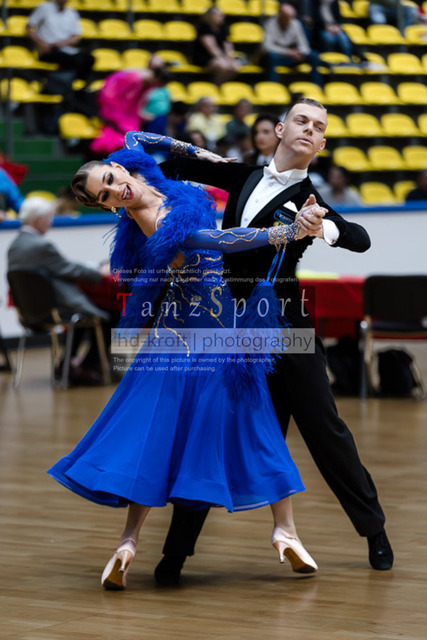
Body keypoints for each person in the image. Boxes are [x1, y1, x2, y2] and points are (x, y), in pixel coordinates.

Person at [47, 131, 326, 589]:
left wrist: (200, 153)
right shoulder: (152, 221)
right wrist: (286, 232)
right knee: (233, 426)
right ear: (107, 207)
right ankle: (283, 531)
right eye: (106, 195)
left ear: (117, 166)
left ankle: (130, 543)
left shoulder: (144, 174)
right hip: (202, 332)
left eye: (111, 179)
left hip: (195, 329)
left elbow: (135, 137)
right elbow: (220, 240)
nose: (117, 190)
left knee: (177, 429)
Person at [152, 97, 393, 584]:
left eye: (318, 127)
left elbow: (360, 238)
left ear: (321, 145)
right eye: (301, 120)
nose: (309, 129)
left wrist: (322, 227)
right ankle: (175, 553)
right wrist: (190, 157)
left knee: (324, 430)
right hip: (230, 326)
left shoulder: (310, 200)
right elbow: (170, 167)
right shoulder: (241, 176)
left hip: (286, 327)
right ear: (280, 130)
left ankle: (374, 530)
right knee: (213, 430)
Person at [7, 196, 110, 384]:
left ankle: (68, 366)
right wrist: (100, 272)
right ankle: (87, 367)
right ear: (38, 219)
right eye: (49, 218)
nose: (51, 222)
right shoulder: (40, 245)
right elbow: (68, 269)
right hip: (54, 309)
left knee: (84, 316)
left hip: (31, 312)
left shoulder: (15, 245)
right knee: (109, 314)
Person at [26, 0, 94, 82]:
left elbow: (76, 37)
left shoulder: (72, 13)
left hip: (65, 50)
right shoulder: (44, 7)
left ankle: (75, 83)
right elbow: (29, 27)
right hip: (49, 50)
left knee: (89, 59)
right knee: (75, 61)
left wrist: (63, 43)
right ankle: (62, 83)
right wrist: (40, 43)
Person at [261, 3, 323, 86]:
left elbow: (304, 46)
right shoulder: (270, 24)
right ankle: (273, 87)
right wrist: (289, 52)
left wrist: (300, 53)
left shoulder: (295, 23)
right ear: (280, 15)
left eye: (292, 18)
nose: (290, 21)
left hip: (293, 57)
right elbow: (266, 47)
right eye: (287, 18)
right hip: (278, 57)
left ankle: (317, 86)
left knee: (314, 56)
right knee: (271, 56)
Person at [193, 6, 241, 84]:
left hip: (220, 57)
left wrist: (230, 58)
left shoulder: (223, 29)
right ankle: (216, 85)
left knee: (235, 66)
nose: (222, 17)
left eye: (222, 15)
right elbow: (211, 48)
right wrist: (223, 59)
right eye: (219, 15)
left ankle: (223, 85)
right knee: (222, 66)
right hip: (206, 58)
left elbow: (228, 45)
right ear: (210, 16)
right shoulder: (204, 28)